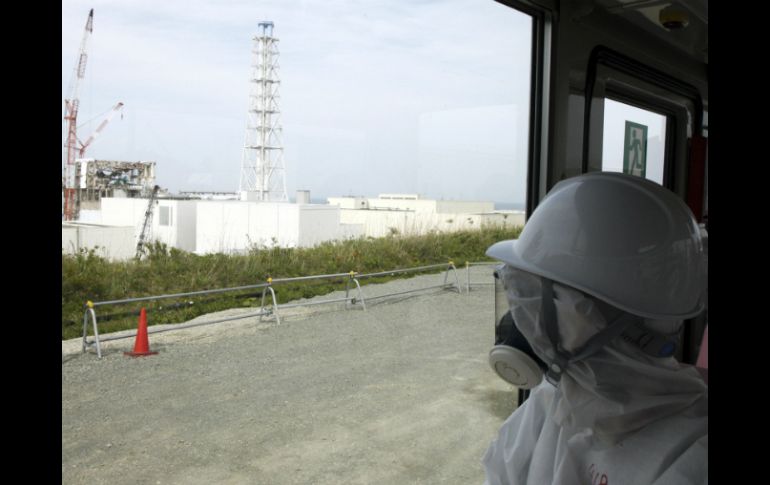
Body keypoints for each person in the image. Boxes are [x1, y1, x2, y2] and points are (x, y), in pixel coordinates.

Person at [482, 172, 708, 485]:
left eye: (538, 300)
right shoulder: (556, 398)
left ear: (581, 318)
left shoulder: (693, 455)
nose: (526, 323)